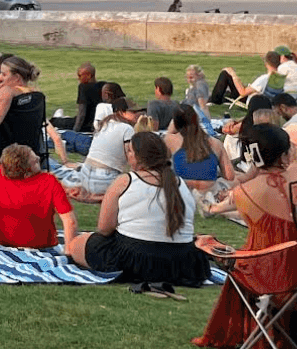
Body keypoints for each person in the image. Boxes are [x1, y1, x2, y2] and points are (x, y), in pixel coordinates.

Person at [194, 124, 297, 349]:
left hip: (267, 272)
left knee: (239, 264)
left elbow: (247, 211)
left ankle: (257, 329)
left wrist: (252, 174)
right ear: (285, 154)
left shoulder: (246, 192)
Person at [68, 132, 209, 290]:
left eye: (130, 151)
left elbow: (104, 229)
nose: (127, 155)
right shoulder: (180, 184)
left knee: (76, 244)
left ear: (139, 157)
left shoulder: (126, 180)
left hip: (134, 258)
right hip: (180, 260)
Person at [0, 143, 76, 250]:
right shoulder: (49, 181)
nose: (38, 157)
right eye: (35, 161)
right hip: (42, 245)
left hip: (3, 243)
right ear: (26, 171)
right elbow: (69, 220)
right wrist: (68, 251)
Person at [59, 97, 140, 202]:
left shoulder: (105, 124)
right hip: (104, 178)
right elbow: (131, 158)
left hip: (85, 175)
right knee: (136, 189)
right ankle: (102, 197)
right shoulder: (127, 129)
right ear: (121, 112)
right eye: (133, 112)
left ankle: (92, 197)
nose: (137, 115)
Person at [164, 104, 233, 196]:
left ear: (175, 123)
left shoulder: (170, 140)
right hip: (210, 193)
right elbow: (230, 176)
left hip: (183, 193)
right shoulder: (216, 143)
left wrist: (170, 131)